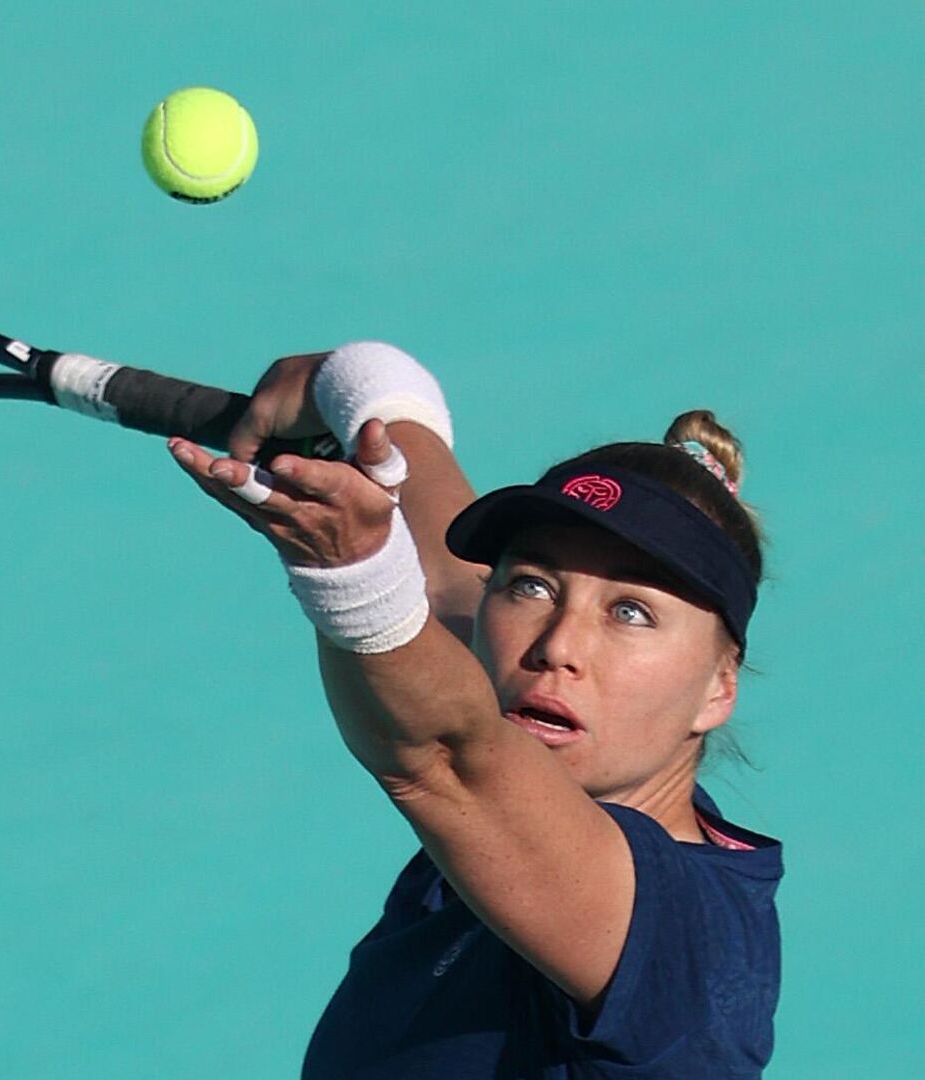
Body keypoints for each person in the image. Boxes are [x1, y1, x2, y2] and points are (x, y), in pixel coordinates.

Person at [166, 342, 784, 1078]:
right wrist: (365, 388)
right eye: (532, 586)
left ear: (719, 688)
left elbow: (448, 753)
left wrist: (350, 570)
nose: (556, 646)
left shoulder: (682, 935)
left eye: (631, 612)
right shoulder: (531, 694)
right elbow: (445, 583)